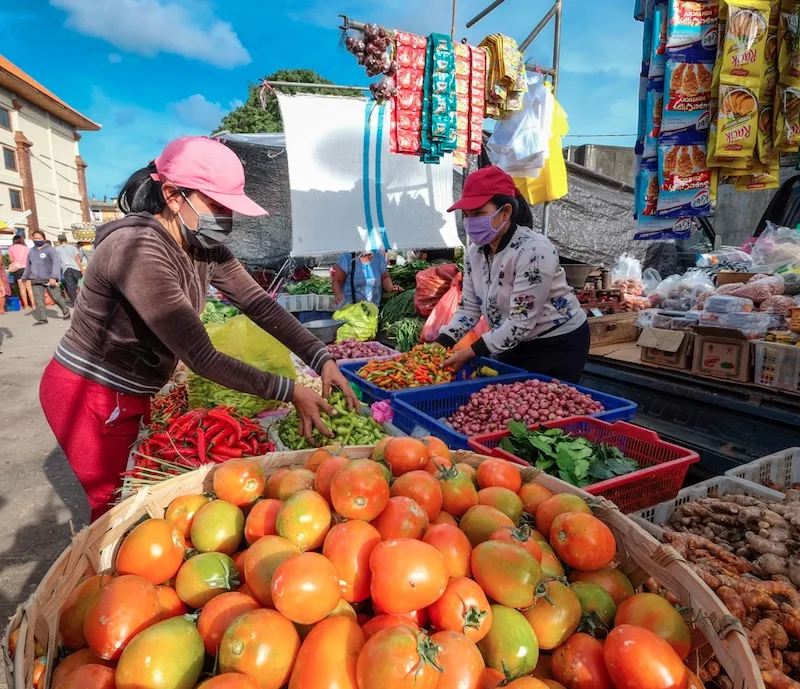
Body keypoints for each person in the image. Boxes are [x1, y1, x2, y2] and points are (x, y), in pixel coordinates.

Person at [38, 136, 358, 521]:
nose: (226, 219)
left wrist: (321, 357)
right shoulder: (138, 249)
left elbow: (259, 304)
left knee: (136, 501)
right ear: (173, 196)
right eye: (217, 206)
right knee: (115, 512)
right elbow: (202, 357)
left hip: (131, 389)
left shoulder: (202, 245)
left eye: (230, 209)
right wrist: (288, 391)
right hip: (90, 392)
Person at [437, 166, 589, 383]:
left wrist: (471, 351)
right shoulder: (475, 253)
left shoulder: (534, 250)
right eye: (467, 215)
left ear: (506, 212)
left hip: (556, 343)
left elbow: (520, 322)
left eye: (479, 213)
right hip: (509, 339)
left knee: (542, 408)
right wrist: (441, 341)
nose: (470, 222)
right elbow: (469, 308)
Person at [22, 231, 71, 324]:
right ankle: (43, 318)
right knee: (39, 300)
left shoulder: (50, 250)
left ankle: (65, 311)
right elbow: (28, 265)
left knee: (56, 297)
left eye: (39, 238)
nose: (37, 240)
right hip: (35, 279)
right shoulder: (31, 251)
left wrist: (54, 277)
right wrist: (25, 277)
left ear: (43, 239)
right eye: (35, 238)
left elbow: (56, 264)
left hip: (49, 279)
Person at [332, 250, 403, 306]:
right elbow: (337, 281)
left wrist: (390, 287)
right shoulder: (347, 257)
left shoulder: (378, 256)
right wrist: (338, 295)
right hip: (350, 309)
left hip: (372, 309)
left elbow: (385, 277)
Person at [55, 234, 85, 303]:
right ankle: (84, 299)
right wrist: (82, 269)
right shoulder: (73, 247)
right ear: (66, 240)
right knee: (80, 284)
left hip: (66, 269)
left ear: (59, 241)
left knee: (71, 287)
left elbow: (57, 262)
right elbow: (77, 259)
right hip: (76, 268)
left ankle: (75, 302)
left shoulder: (57, 249)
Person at [8, 235, 33, 310]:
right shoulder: (27, 248)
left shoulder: (11, 248)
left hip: (18, 269)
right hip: (27, 269)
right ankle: (33, 304)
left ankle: (25, 306)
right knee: (29, 288)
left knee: (22, 288)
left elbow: (11, 260)